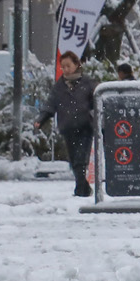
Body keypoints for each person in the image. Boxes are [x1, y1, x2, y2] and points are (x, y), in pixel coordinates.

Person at [37, 50, 98, 197]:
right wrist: (41, 119)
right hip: (68, 127)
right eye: (63, 67)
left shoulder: (88, 83)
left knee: (80, 159)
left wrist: (94, 114)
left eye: (68, 66)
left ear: (77, 65)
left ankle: (80, 188)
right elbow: (50, 104)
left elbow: (97, 100)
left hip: (85, 126)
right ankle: (83, 187)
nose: (65, 69)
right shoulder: (59, 86)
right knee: (73, 159)